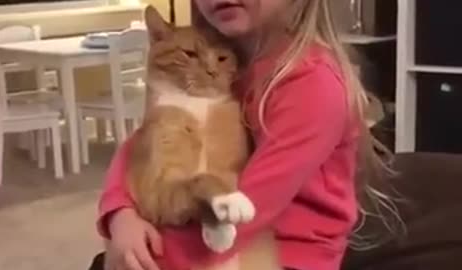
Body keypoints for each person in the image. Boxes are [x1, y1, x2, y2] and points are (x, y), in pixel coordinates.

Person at [93, 1, 394, 270]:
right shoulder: (222, 54)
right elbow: (143, 142)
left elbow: (244, 213)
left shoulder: (314, 85)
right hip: (207, 227)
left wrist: (146, 257)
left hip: (284, 254)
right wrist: (120, 214)